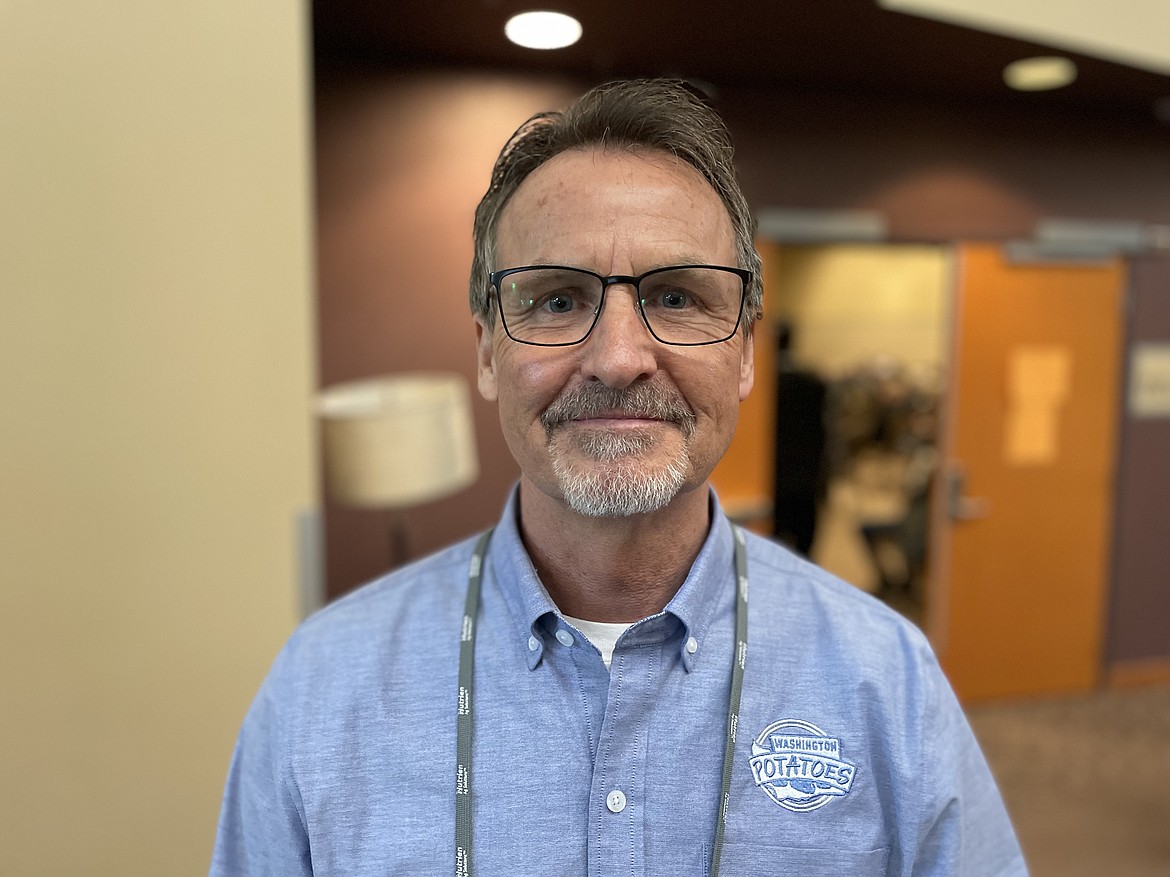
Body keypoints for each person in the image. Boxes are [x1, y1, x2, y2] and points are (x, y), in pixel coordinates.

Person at [212, 79, 1026, 876]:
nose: (619, 357)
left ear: (744, 351)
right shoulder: (323, 687)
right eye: (559, 301)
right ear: (489, 351)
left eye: (676, 296)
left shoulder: (885, 680)